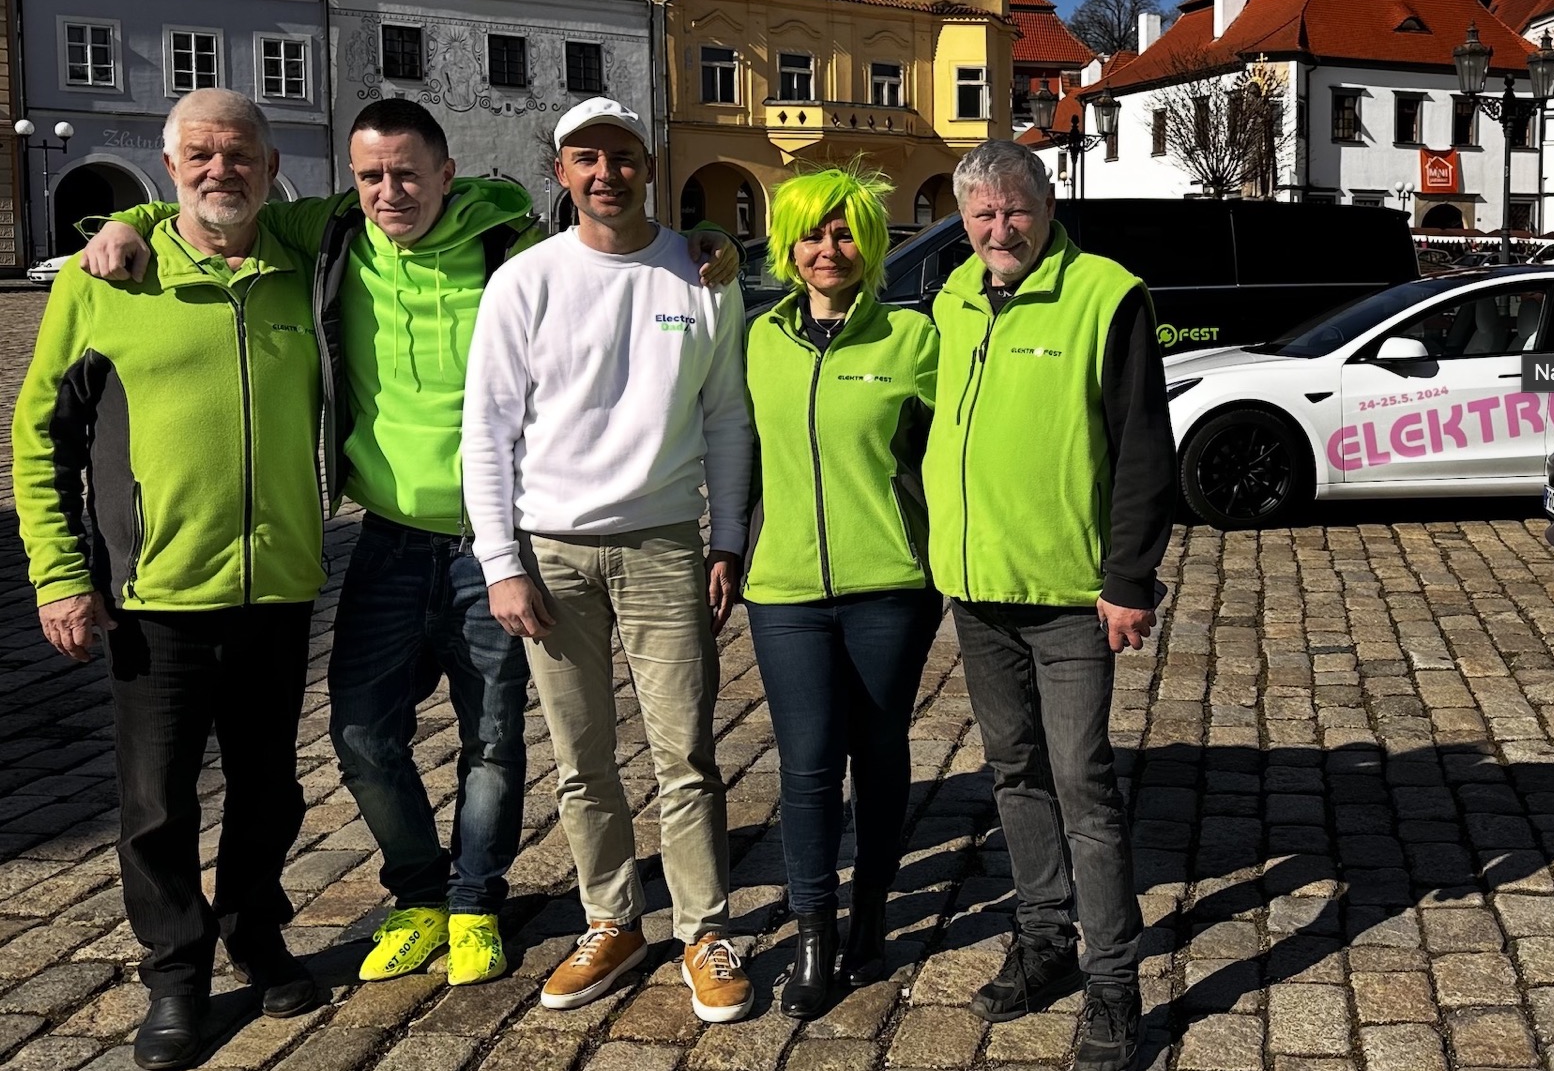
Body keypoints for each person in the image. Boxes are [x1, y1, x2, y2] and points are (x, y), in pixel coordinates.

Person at [78, 101, 741, 990]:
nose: (389, 191)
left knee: (496, 740)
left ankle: (475, 901)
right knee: (360, 733)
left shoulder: (502, 245)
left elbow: (620, 255)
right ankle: (422, 892)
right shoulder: (330, 238)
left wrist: (703, 240)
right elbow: (214, 196)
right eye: (370, 176)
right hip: (390, 538)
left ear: (445, 174)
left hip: (497, 537)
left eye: (407, 173)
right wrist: (128, 219)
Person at [12, 91, 328, 1071]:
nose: (219, 169)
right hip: (155, 595)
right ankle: (176, 974)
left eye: (239, 154)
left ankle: (256, 932)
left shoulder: (299, 263)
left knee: (270, 788)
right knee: (156, 804)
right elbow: (40, 436)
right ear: (170, 165)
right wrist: (60, 575)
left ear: (271, 169)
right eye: (199, 154)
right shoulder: (109, 280)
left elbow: (427, 195)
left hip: (279, 585)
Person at [460, 97, 753, 1023]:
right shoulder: (525, 281)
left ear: (649, 166)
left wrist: (728, 537)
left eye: (622, 157)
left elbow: (727, 416)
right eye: (586, 158)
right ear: (561, 173)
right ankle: (612, 920)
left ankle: (704, 929)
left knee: (686, 753)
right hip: (551, 552)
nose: (605, 174)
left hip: (663, 542)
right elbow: (487, 429)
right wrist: (500, 562)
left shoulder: (701, 273)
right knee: (581, 756)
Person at [923, 142, 1175, 1071]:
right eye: (982, 215)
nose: (1001, 229)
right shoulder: (951, 298)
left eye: (1015, 210)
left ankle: (1113, 982)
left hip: (1070, 593)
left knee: (1082, 782)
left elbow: (1143, 447)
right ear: (963, 221)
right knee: (1014, 771)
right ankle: (1042, 938)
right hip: (977, 587)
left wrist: (1129, 579)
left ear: (1048, 205)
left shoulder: (1106, 295)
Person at [740, 167, 941, 1017]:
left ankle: (872, 915)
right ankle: (814, 936)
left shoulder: (912, 338)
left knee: (881, 752)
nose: (830, 249)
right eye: (813, 234)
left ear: (872, 243)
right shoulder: (757, 339)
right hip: (784, 587)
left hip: (890, 584)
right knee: (808, 765)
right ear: (788, 246)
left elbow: (951, 455)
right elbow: (738, 453)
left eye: (846, 231)